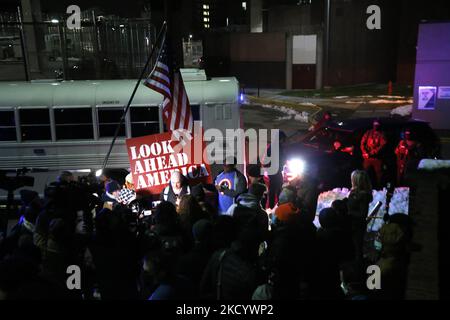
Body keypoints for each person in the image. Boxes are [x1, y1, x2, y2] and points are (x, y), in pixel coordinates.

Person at [347, 170, 373, 267]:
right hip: (352, 224)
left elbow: (362, 214)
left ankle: (358, 271)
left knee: (357, 248)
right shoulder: (354, 192)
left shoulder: (363, 195)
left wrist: (349, 212)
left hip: (357, 226)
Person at [360, 119, 387, 188]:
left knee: (379, 174)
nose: (376, 126)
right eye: (375, 125)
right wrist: (364, 152)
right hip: (367, 157)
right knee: (365, 173)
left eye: (377, 125)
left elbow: (382, 146)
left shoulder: (382, 134)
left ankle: (379, 188)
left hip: (377, 158)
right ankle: (365, 187)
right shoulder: (368, 133)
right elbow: (362, 143)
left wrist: (371, 153)